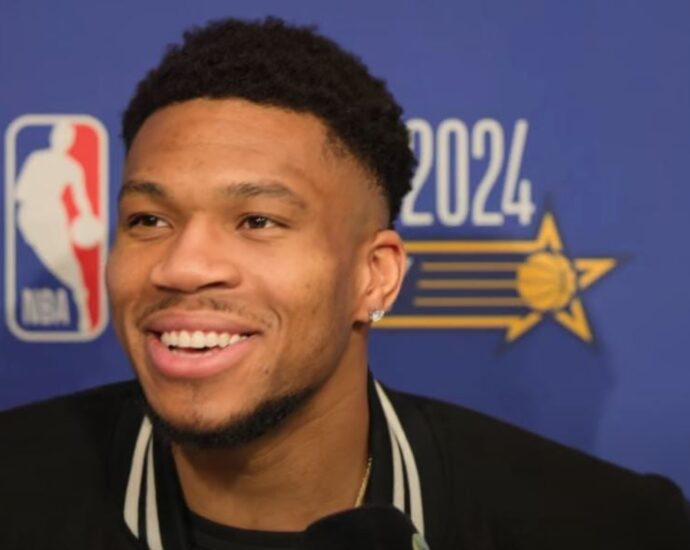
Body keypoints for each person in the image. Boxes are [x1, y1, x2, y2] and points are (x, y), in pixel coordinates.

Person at [1, 17, 689, 550]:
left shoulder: (607, 527)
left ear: (374, 276)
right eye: (148, 220)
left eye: (258, 221)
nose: (180, 266)